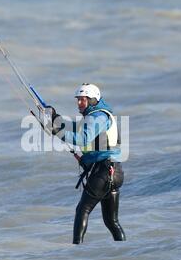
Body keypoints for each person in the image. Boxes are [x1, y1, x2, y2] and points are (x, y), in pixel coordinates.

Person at [49, 83, 126, 244]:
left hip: (104, 173)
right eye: (78, 100)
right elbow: (80, 130)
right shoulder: (100, 116)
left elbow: (82, 139)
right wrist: (59, 122)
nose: (78, 103)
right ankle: (124, 251)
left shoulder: (96, 117)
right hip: (115, 172)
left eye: (82, 100)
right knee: (112, 222)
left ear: (92, 100)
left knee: (82, 210)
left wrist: (59, 132)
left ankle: (76, 250)